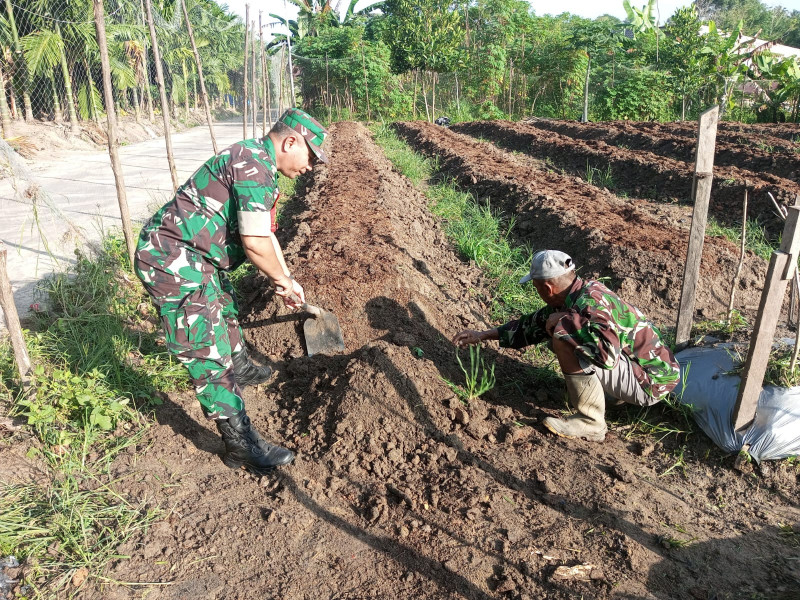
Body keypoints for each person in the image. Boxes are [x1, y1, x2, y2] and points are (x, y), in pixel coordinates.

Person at [135, 108, 329, 474]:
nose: (310, 167)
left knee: (224, 305)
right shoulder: (254, 168)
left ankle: (238, 366)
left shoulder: (258, 161)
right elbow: (254, 244)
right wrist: (280, 281)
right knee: (205, 347)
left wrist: (287, 279)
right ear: (290, 142)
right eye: (310, 157)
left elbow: (265, 233)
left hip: (198, 256)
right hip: (170, 259)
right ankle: (239, 443)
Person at [452, 250, 680, 442]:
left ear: (547, 288)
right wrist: (483, 335)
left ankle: (591, 422)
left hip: (651, 382)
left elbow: (607, 357)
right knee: (559, 327)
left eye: (536, 287)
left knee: (562, 335)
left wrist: (566, 322)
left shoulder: (590, 305)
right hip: (641, 369)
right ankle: (610, 397)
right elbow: (531, 326)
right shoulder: (578, 292)